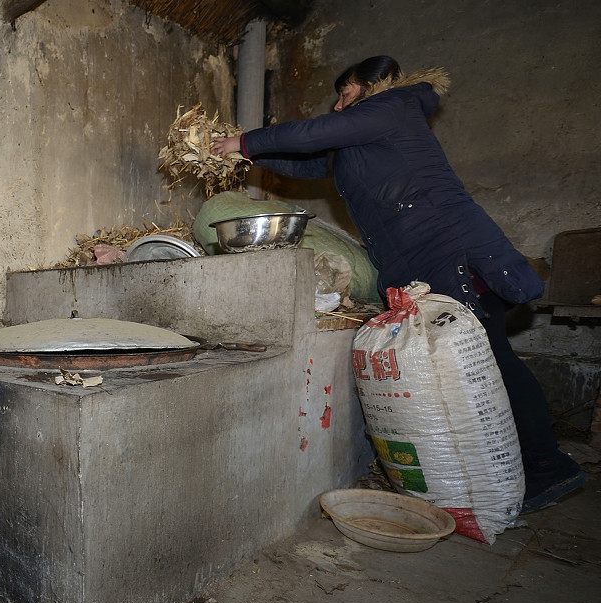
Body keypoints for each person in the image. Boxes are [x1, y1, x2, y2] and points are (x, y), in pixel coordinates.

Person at [212, 55, 585, 514]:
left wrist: (244, 141)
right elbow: (312, 161)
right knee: (479, 368)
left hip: (454, 255)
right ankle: (509, 467)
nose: (337, 107)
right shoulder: (370, 137)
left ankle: (549, 466)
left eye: (345, 94)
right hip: (426, 262)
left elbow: (314, 134)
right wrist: (247, 155)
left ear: (372, 85)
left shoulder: (395, 106)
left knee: (495, 361)